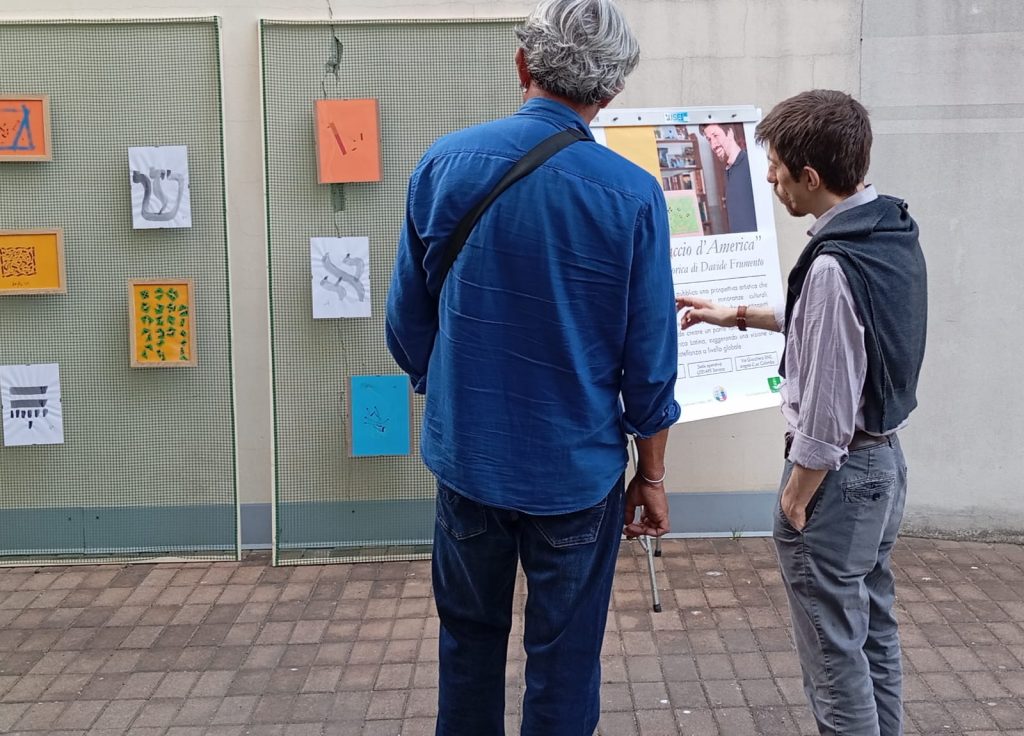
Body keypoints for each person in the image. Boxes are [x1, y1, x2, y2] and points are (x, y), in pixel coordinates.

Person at [385, 1, 680, 733]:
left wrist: (448, 391)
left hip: (468, 461)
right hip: (576, 476)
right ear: (612, 91)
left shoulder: (444, 164)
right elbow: (650, 366)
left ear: (522, 64)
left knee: (468, 644)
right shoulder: (634, 195)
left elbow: (405, 325)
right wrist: (650, 475)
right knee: (566, 661)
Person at [680, 90, 927, 735]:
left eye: (777, 169)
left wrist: (796, 495)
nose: (770, 179)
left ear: (810, 177)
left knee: (833, 660)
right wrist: (735, 314)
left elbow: (827, 406)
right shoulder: (889, 230)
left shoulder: (833, 266)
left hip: (838, 481)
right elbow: (833, 324)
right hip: (886, 466)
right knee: (871, 633)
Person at [700, 122, 758, 233]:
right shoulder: (728, 170)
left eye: (716, 136)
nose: (713, 145)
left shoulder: (750, 165)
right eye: (709, 140)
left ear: (730, 133)